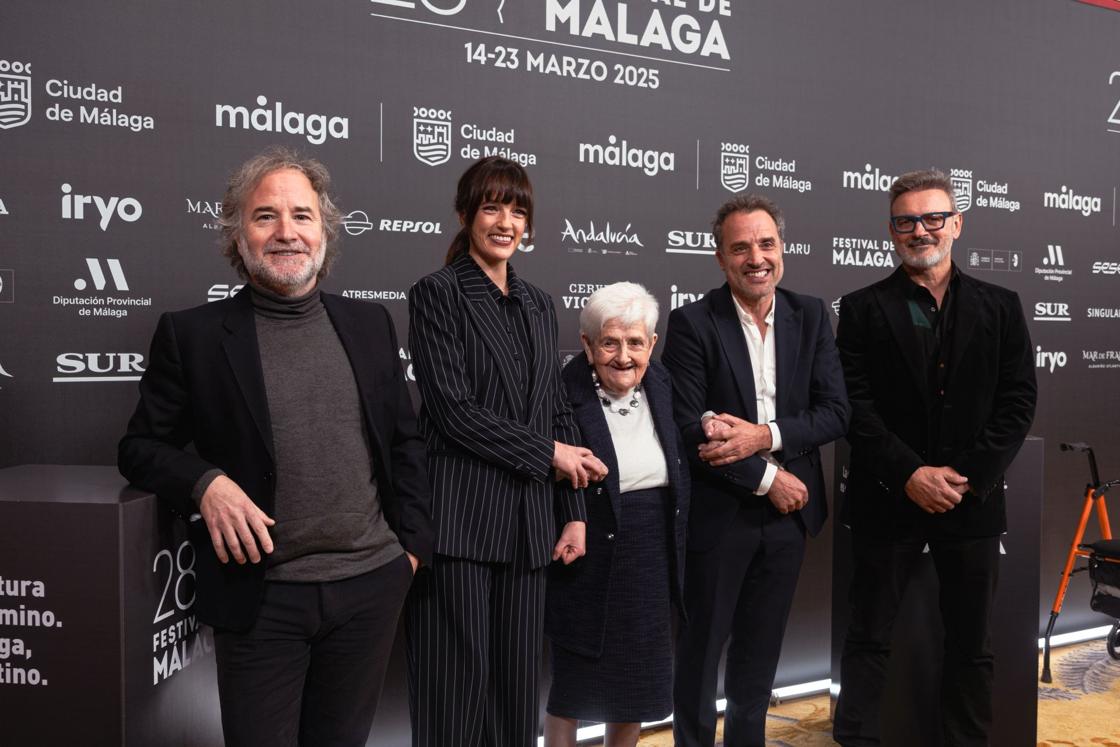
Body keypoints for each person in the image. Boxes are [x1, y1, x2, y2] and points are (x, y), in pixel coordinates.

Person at [117, 146, 432, 747]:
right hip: (261, 600)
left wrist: (409, 552)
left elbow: (404, 444)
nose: (286, 232)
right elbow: (139, 448)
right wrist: (205, 482)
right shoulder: (193, 336)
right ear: (238, 235)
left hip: (371, 585)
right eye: (265, 216)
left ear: (325, 231)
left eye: (302, 215)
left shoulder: (370, 324)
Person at [406, 156, 607, 747]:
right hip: (458, 524)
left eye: (517, 210)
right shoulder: (437, 293)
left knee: (518, 696)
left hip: (528, 528)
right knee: (453, 695)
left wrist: (574, 512)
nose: (505, 221)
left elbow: (556, 408)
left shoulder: (541, 304)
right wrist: (550, 455)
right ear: (466, 214)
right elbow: (453, 412)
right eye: (492, 207)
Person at [832, 169, 1037, 746]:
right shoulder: (863, 308)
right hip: (886, 500)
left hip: (972, 505)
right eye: (906, 221)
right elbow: (855, 405)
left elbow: (1018, 401)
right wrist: (909, 474)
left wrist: (965, 478)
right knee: (868, 637)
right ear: (891, 231)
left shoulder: (1001, 306)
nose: (920, 230)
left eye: (932, 218)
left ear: (957, 224)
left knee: (973, 645)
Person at [664, 194, 850, 747]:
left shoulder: (811, 313)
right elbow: (692, 429)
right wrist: (770, 477)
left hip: (789, 518)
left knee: (759, 659)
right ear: (720, 258)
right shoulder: (693, 323)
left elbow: (836, 410)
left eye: (766, 244)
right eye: (740, 247)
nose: (756, 258)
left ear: (782, 249)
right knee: (699, 658)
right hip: (723, 515)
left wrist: (763, 435)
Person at [543, 282, 689, 747]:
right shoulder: (561, 391)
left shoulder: (662, 383)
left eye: (635, 342)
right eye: (610, 342)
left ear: (652, 344)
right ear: (587, 345)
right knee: (572, 688)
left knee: (636, 688)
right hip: (587, 550)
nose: (623, 355)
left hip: (651, 554)